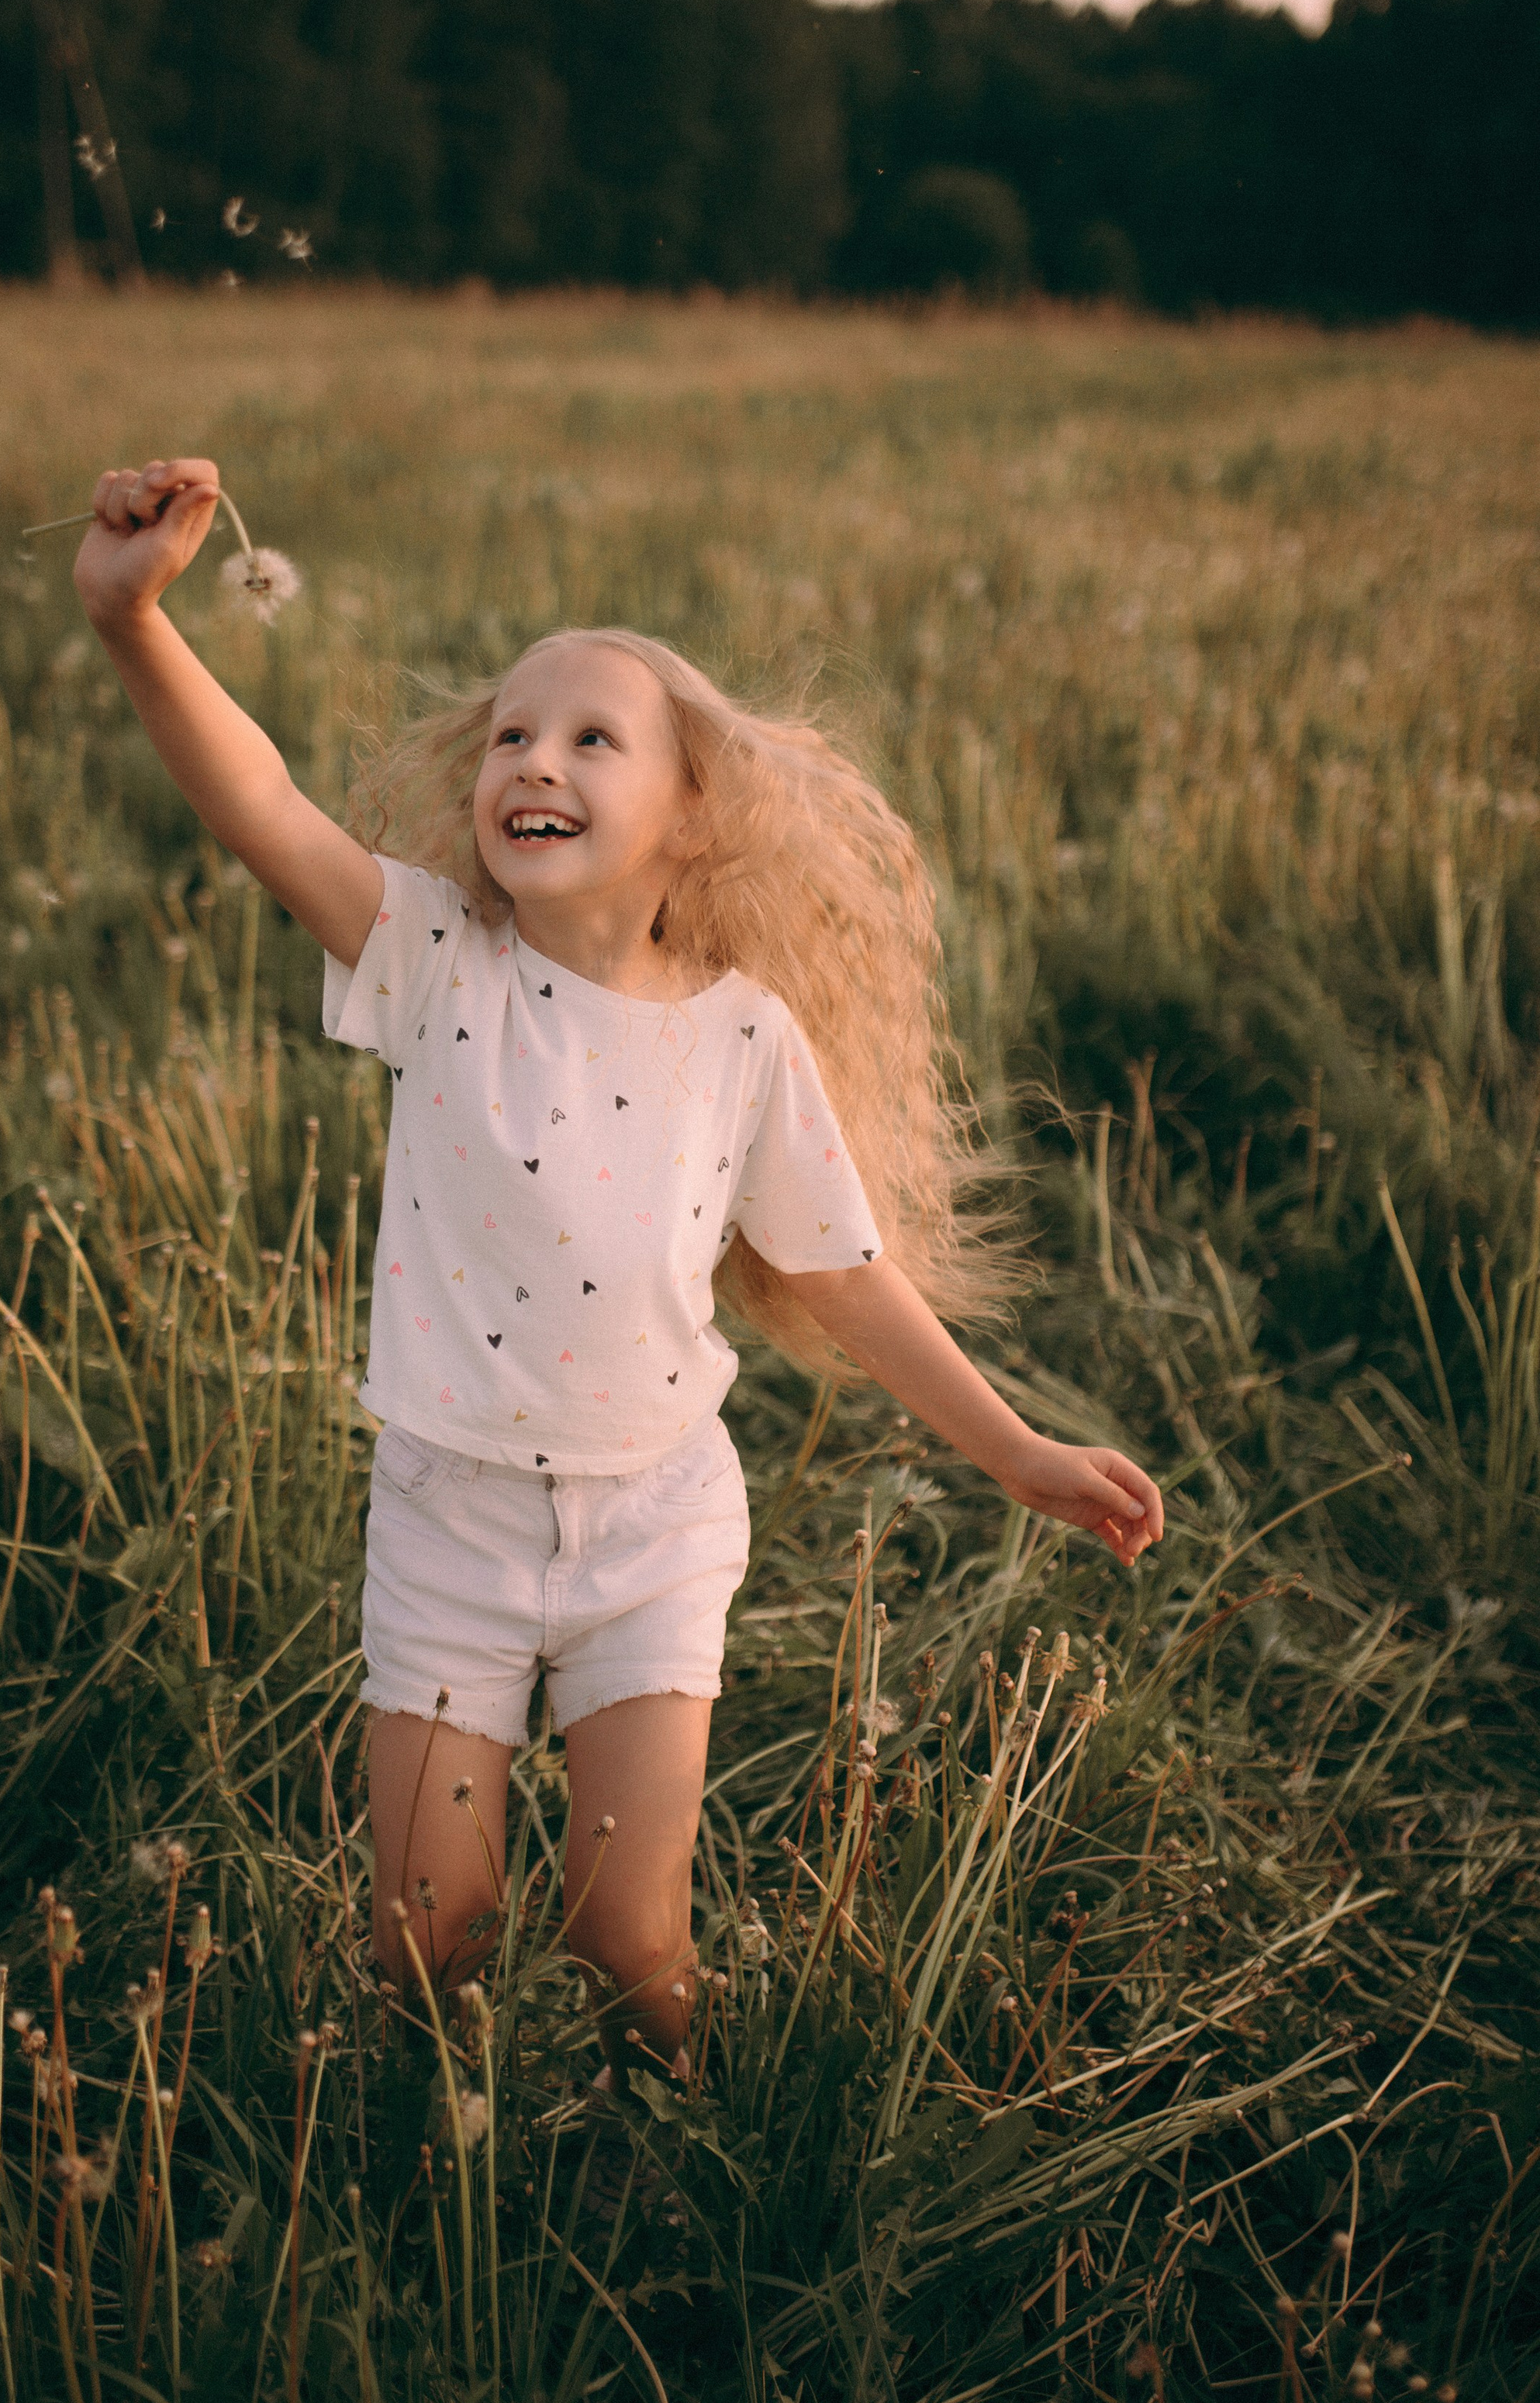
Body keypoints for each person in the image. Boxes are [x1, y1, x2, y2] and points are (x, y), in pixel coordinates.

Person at [74, 456, 1164, 2084]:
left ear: (690, 812)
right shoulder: (435, 960)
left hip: (650, 1530)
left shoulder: (740, 1039)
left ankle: (707, 2158)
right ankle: (429, 2193)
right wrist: (131, 623)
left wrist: (1012, 1447)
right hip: (451, 1523)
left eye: (593, 736)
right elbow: (260, 801)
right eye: (513, 731)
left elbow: (846, 1274)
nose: (536, 757)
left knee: (624, 1934)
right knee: (424, 1936)